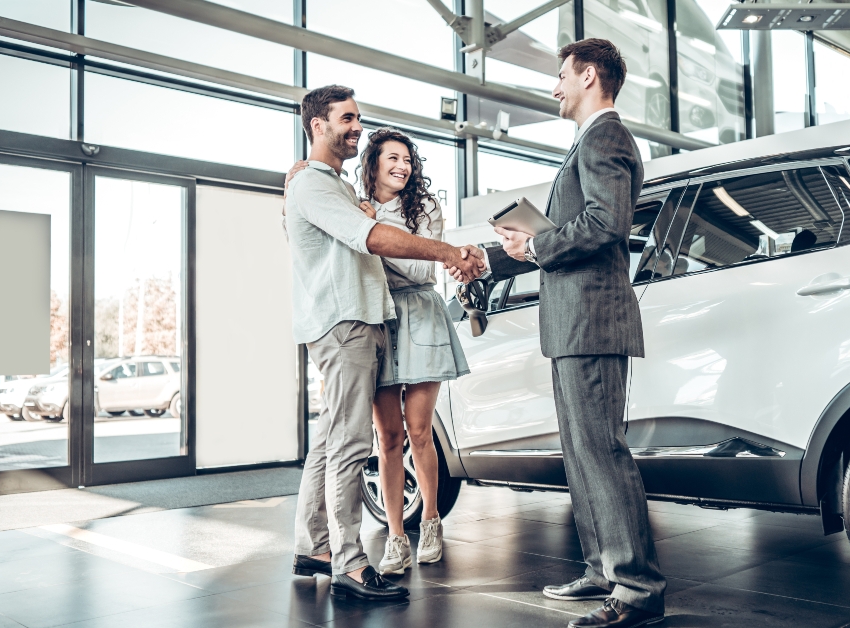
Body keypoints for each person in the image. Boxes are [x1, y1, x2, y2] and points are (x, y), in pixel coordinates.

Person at [447, 39, 666, 628]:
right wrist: (500, 254)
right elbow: (569, 231)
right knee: (582, 453)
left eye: (561, 76)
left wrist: (538, 243)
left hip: (592, 322)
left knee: (601, 452)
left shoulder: (606, 138)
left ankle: (637, 589)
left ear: (589, 75)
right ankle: (602, 568)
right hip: (573, 324)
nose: (555, 87)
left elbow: (604, 224)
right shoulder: (589, 143)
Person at [285, 85, 484, 601]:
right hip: (346, 324)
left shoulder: (327, 184)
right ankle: (351, 563)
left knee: (331, 440)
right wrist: (445, 252)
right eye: (347, 119)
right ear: (317, 126)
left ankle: (314, 546)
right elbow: (370, 238)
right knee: (354, 443)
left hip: (360, 321)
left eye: (358, 119)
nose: (356, 127)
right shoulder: (315, 186)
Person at [361, 127, 468, 575]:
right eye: (393, 158)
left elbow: (419, 267)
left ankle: (430, 522)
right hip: (378, 316)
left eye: (407, 159)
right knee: (387, 438)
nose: (402, 166)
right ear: (374, 164)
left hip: (421, 314)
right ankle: (396, 536)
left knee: (420, 431)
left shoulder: (424, 207)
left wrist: (375, 231)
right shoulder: (356, 204)